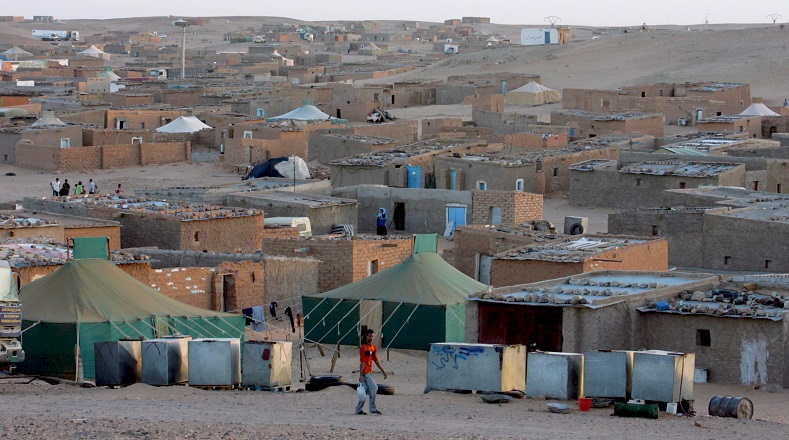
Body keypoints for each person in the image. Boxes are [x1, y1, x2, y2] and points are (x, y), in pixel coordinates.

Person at [356, 329, 387, 415]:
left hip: (369, 372)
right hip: (365, 372)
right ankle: (373, 408)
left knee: (365, 391)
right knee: (374, 387)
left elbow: (376, 361)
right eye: (369, 336)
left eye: (372, 336)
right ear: (366, 336)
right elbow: (362, 362)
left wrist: (383, 372)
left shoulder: (373, 348)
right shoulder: (363, 348)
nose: (371, 338)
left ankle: (358, 410)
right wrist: (361, 375)